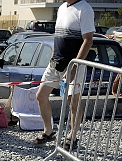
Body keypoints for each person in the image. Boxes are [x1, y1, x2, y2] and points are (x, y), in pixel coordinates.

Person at [34, 0, 95, 149]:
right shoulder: (62, 7)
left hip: (73, 63)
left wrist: (75, 66)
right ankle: (48, 131)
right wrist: (53, 54)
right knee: (41, 96)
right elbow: (59, 36)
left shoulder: (84, 9)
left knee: (73, 101)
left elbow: (88, 41)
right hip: (56, 62)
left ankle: (72, 136)